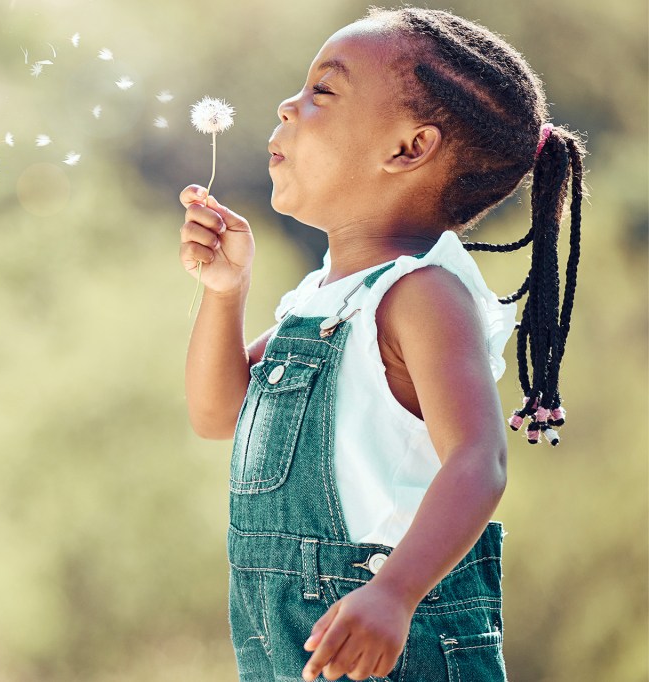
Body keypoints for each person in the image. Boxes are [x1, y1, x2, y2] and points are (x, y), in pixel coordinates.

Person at [178, 7, 584, 682]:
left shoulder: (423, 295)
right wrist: (225, 293)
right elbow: (218, 415)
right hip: (294, 650)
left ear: (408, 148)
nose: (287, 105)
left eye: (322, 92)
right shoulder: (323, 298)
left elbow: (478, 461)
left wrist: (396, 591)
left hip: (402, 650)